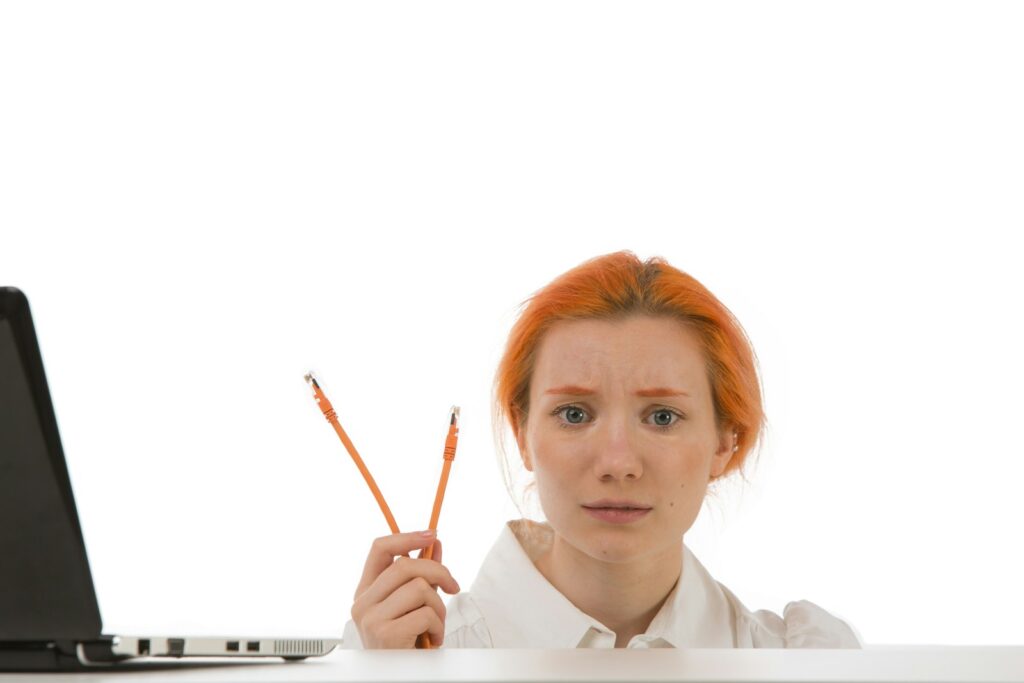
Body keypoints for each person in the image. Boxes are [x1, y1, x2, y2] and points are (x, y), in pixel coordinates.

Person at [341, 250, 864, 649]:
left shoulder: (803, 660)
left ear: (727, 441)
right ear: (522, 433)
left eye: (662, 417)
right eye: (574, 414)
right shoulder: (400, 656)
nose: (618, 463)